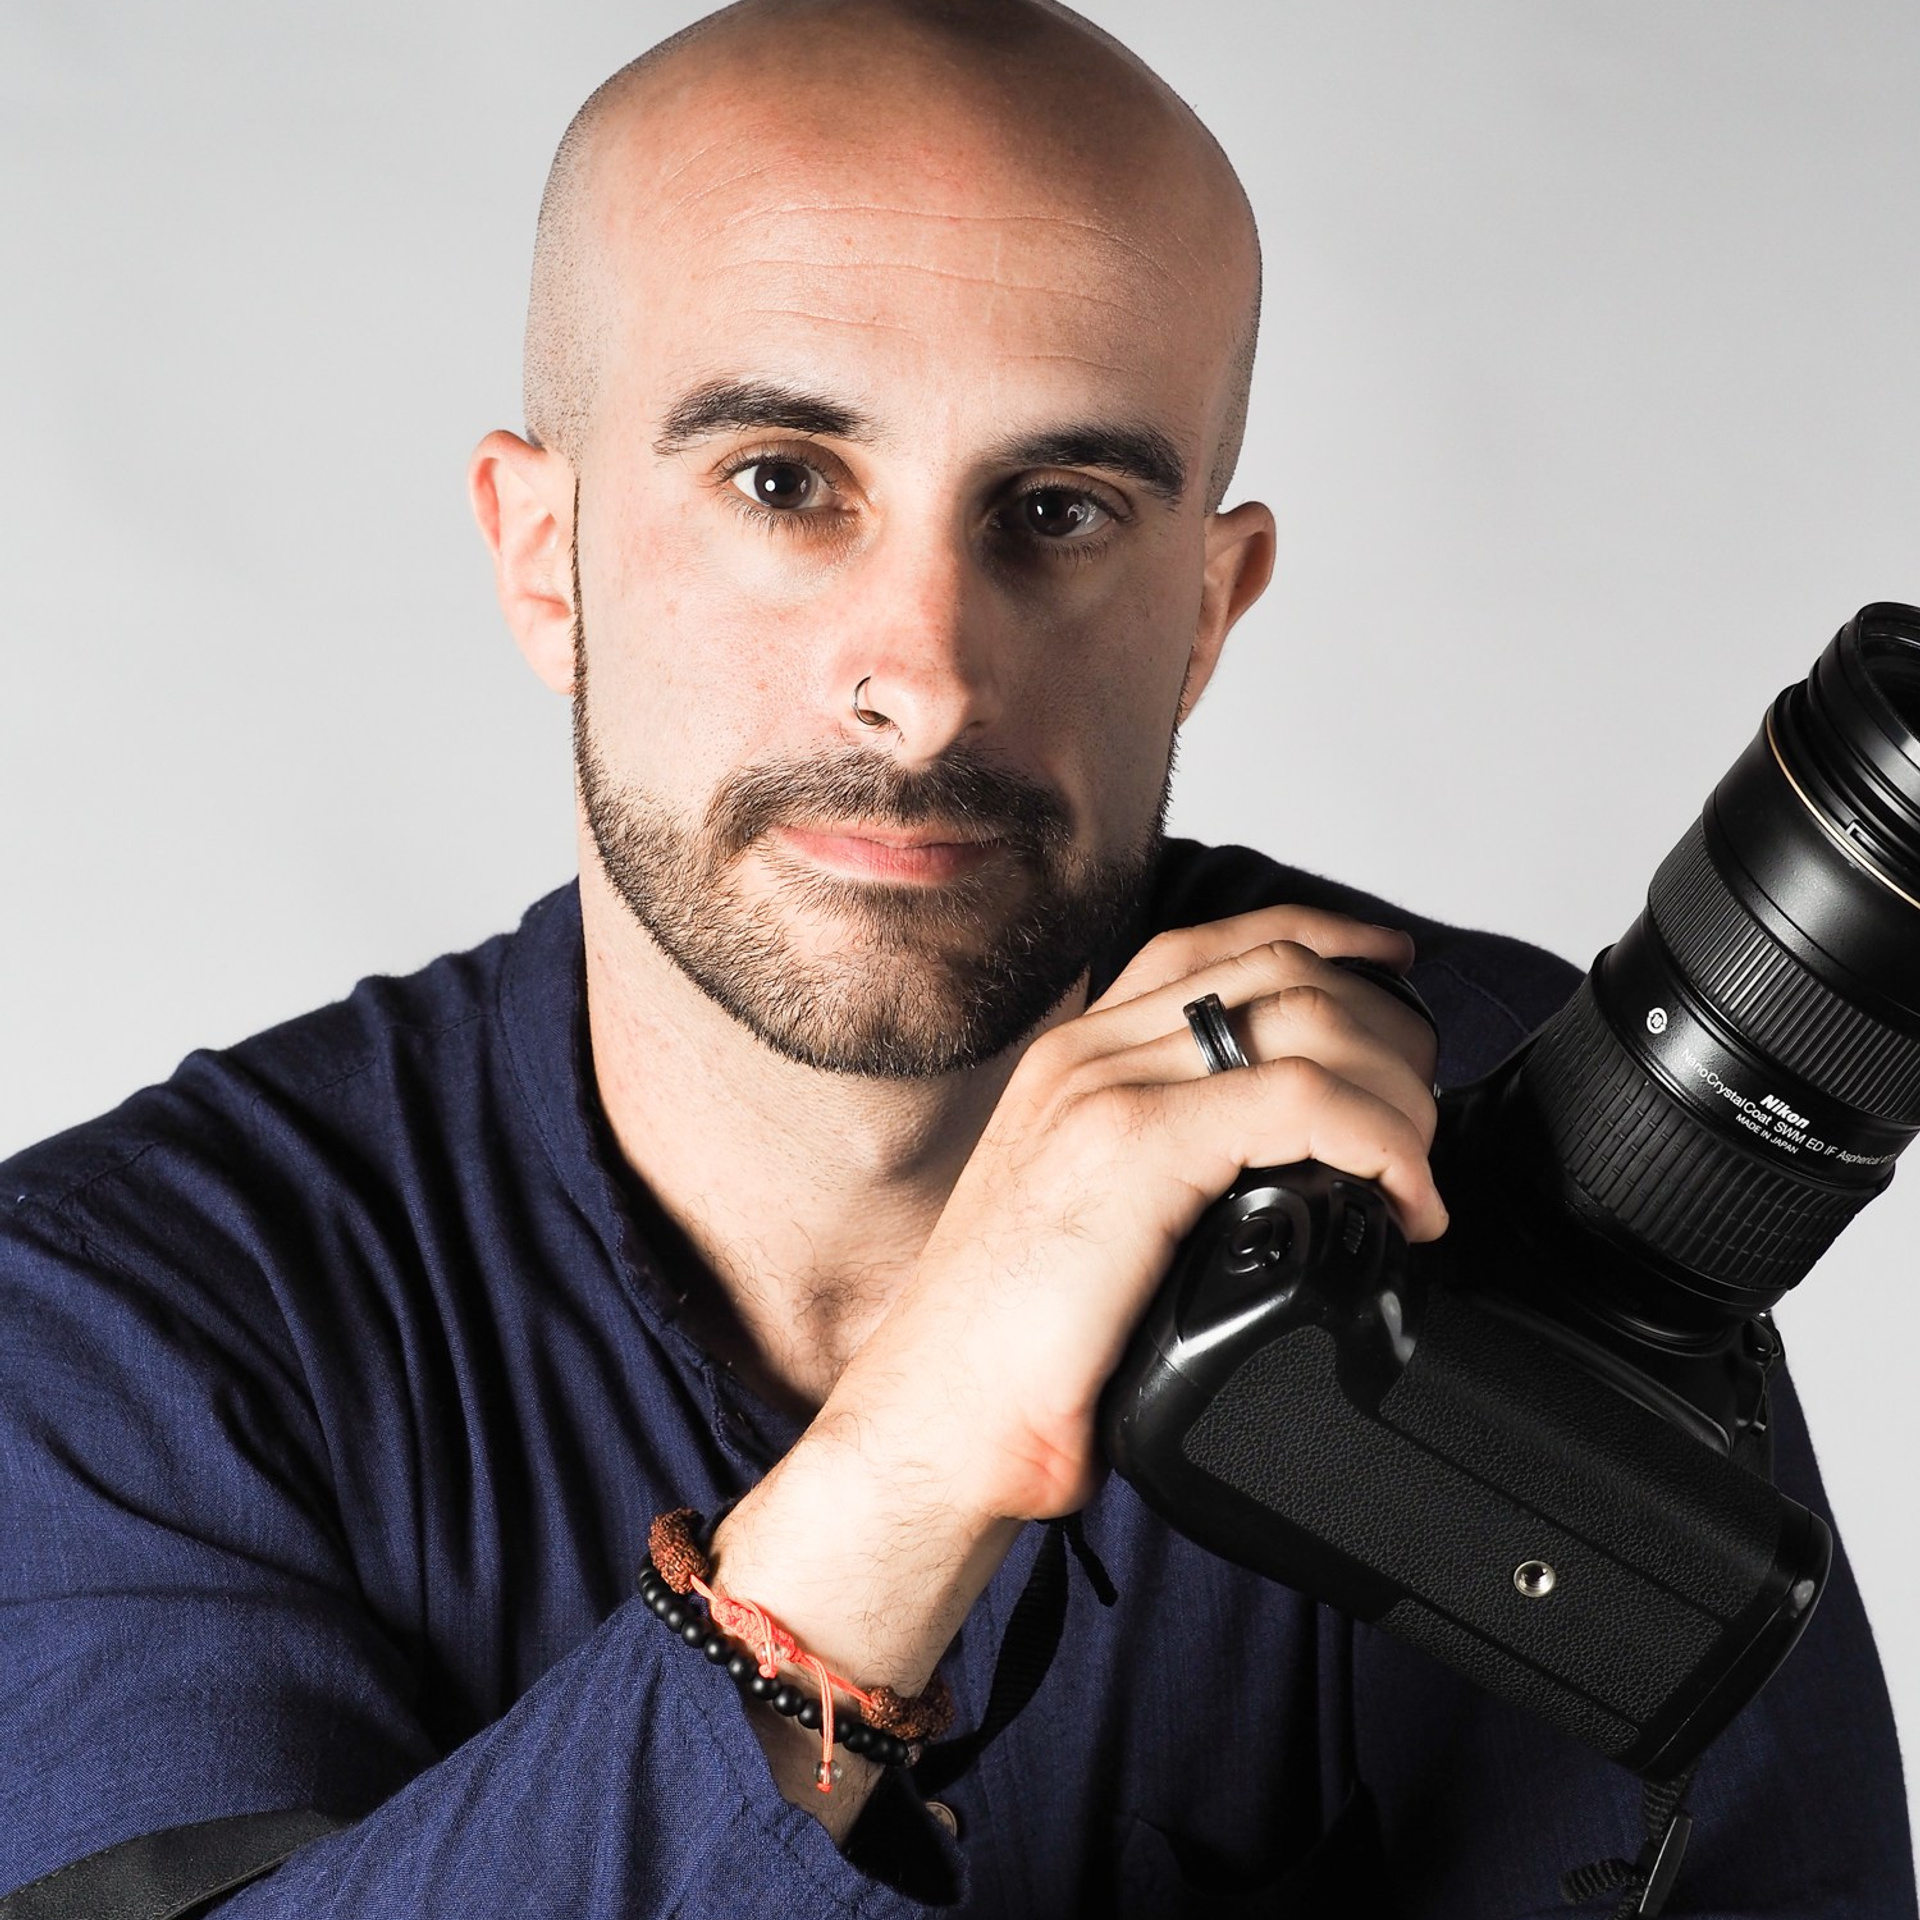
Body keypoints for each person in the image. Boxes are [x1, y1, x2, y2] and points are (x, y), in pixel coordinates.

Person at [0, 2, 1910, 1915]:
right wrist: (910, 1467)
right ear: (543, 553)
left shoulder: (1463, 1117)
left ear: (1206, 612)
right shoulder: (124, 1324)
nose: (922, 676)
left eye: (1060, 513)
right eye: (780, 480)